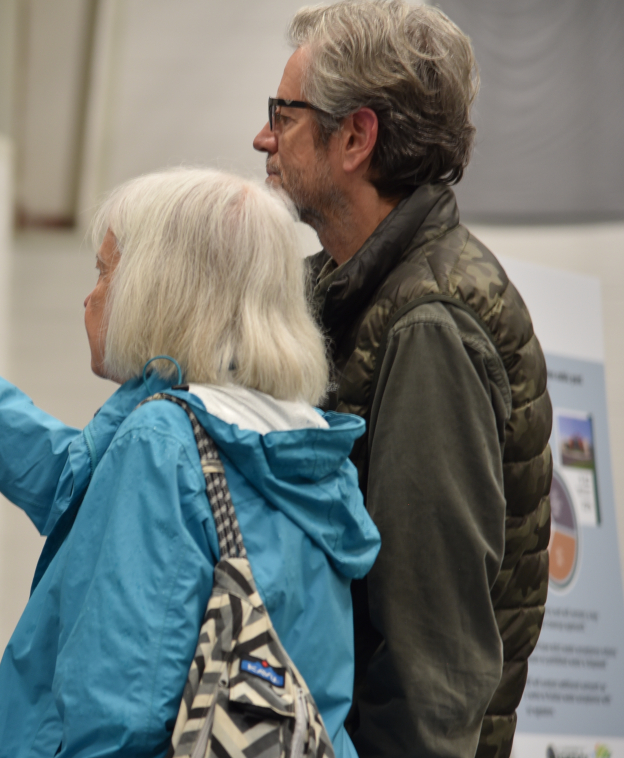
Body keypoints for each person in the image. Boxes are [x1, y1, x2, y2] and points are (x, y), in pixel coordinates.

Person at [0, 168, 380, 758]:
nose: (90, 295)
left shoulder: (164, 441)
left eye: (105, 270)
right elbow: (74, 479)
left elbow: (119, 718)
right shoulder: (303, 450)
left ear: (160, 286)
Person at [251, 3, 553, 758]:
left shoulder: (432, 323)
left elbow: (434, 663)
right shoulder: (350, 291)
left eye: (283, 114)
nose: (263, 137)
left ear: (355, 137)